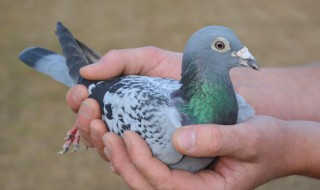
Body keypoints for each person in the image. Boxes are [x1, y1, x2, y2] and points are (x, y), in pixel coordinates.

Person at [66, 46, 320, 190]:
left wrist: (291, 148)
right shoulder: (166, 124)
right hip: (118, 95)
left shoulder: (236, 105)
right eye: (222, 46)